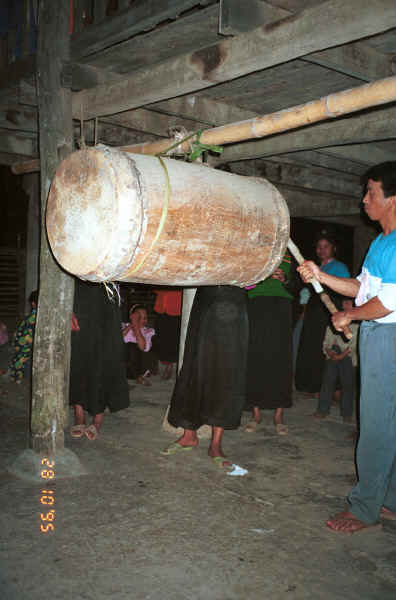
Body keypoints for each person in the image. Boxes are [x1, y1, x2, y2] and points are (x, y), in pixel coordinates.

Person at [298, 161, 396, 533]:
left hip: (388, 336)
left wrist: (350, 317)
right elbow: (362, 288)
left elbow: (389, 302)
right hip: (380, 333)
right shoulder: (380, 243)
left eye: (371, 192)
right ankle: (388, 500)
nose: (364, 199)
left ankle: (364, 507)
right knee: (388, 422)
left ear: (392, 197)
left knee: (374, 423)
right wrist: (321, 276)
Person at [161, 286, 248, 468]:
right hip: (205, 300)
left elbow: (254, 275)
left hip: (233, 304)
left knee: (226, 371)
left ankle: (215, 444)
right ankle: (189, 435)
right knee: (194, 367)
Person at [70, 280, 129, 440]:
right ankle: (79, 414)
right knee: (79, 354)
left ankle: (97, 417)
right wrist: (68, 310)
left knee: (104, 356)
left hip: (107, 294)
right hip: (79, 294)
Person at [244, 251, 294, 435]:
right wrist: (263, 277)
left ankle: (279, 414)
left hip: (282, 307)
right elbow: (245, 284)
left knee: (280, 358)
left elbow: (300, 286)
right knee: (256, 356)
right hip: (258, 305)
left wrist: (285, 279)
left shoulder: (290, 255)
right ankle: (255, 413)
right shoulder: (258, 251)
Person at [295, 233, 350, 395]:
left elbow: (345, 290)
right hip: (314, 310)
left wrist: (346, 311)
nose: (322, 250)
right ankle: (311, 386)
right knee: (310, 347)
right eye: (319, 247)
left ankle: (329, 389)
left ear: (333, 248)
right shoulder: (316, 268)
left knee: (325, 347)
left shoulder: (339, 267)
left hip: (329, 310)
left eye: (326, 246)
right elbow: (307, 292)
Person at [314, 297, 359, 423]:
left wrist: (341, 355)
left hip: (348, 357)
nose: (346, 305)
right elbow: (326, 343)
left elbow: (354, 345)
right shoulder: (335, 323)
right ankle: (322, 410)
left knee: (348, 385)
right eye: (344, 302)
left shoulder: (357, 324)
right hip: (333, 355)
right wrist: (330, 352)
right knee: (327, 382)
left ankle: (346, 413)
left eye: (349, 302)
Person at [7, 290, 38, 383]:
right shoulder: (35, 315)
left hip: (23, 344)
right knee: (20, 360)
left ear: (33, 303)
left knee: (19, 360)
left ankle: (16, 378)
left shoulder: (33, 315)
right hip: (23, 344)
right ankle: (16, 378)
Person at [122, 304, 155, 385]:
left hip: (139, 367)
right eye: (139, 318)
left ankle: (139, 377)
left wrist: (136, 325)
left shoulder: (148, 331)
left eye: (145, 318)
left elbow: (143, 348)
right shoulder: (124, 326)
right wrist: (131, 325)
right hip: (124, 367)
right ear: (132, 317)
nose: (144, 321)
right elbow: (117, 341)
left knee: (132, 347)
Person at [153, 288, 182, 380]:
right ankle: (163, 362)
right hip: (161, 306)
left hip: (175, 307)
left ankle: (170, 366)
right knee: (161, 337)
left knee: (173, 338)